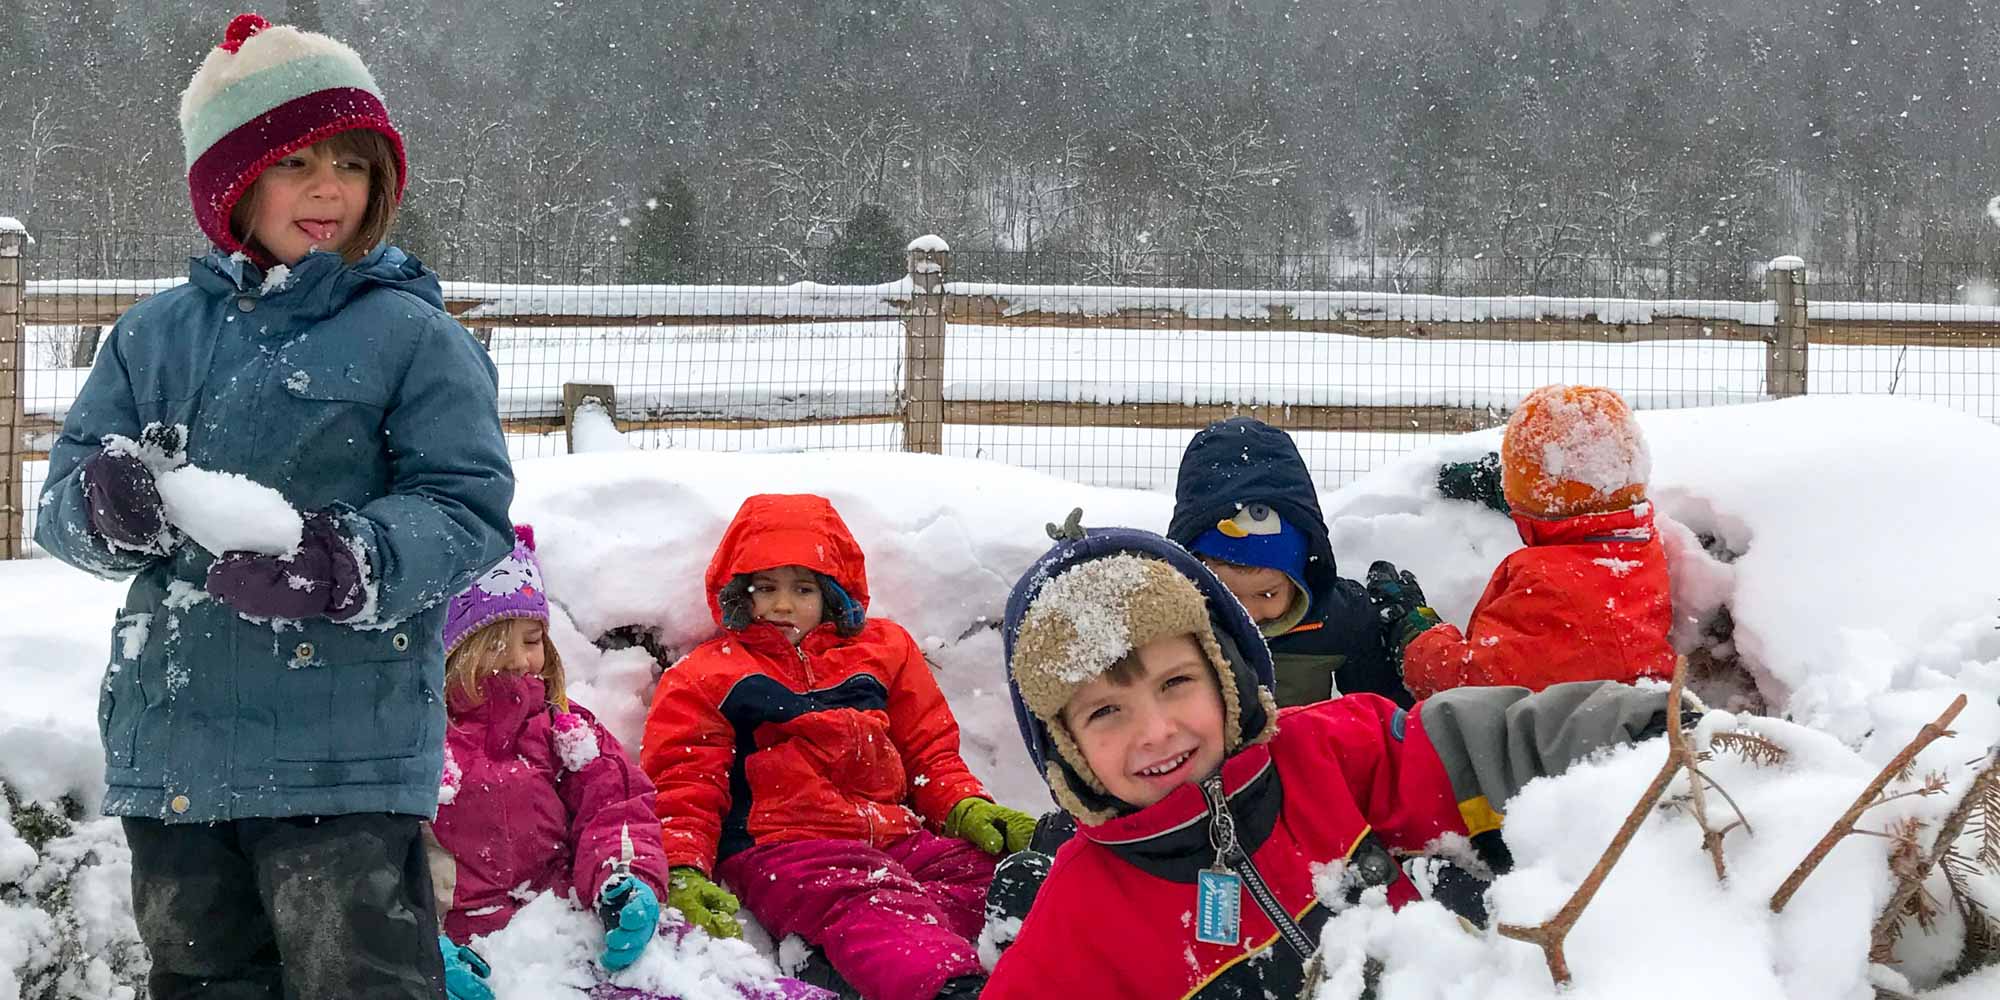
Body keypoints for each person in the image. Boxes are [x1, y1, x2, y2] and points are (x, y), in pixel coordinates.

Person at [34, 13, 514, 997]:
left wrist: (349, 561)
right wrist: (107, 503)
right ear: (232, 183)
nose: (329, 186)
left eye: (350, 161)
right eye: (295, 162)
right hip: (172, 750)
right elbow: (60, 503)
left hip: (346, 754)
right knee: (203, 979)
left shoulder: (411, 338)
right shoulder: (151, 337)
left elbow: (465, 507)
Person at [983, 524, 1684, 998]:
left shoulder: (1328, 754)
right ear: (1065, 748)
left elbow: (1485, 746)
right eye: (1106, 713)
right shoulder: (1080, 917)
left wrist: (1636, 729)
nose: (1156, 730)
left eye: (1176, 684)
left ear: (1225, 674)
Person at [641, 494, 1037, 1000]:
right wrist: (682, 864)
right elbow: (686, 781)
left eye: (802, 588)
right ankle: (950, 986)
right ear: (742, 594)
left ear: (832, 594)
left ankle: (840, 962)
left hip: (896, 836)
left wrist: (962, 804)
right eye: (766, 588)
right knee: (875, 901)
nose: (783, 605)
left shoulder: (885, 649)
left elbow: (928, 751)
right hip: (786, 848)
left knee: (974, 876)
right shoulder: (708, 673)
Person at [1379, 384, 1676, 697]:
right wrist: (1491, 482)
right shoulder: (1637, 542)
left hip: (1570, 741)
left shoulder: (1550, 588)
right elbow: (1580, 497)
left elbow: (1471, 688)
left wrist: (1413, 631)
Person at [1168, 416, 1412, 708]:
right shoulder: (1170, 628)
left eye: (1267, 594)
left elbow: (1380, 711)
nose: (1247, 613)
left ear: (1299, 576)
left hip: (1300, 749)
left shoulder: (1338, 620)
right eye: (1227, 594)